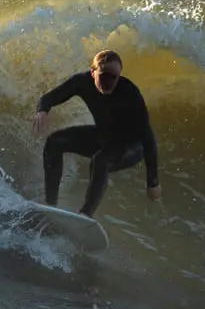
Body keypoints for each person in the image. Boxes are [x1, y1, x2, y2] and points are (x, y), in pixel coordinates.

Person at [33, 49, 162, 217]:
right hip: (105, 137)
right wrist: (42, 110)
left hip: (132, 146)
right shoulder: (82, 82)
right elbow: (49, 98)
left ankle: (85, 214)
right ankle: (51, 205)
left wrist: (153, 182)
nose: (109, 82)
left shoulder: (129, 92)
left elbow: (147, 136)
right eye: (104, 75)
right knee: (54, 142)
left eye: (114, 77)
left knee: (100, 160)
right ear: (93, 72)